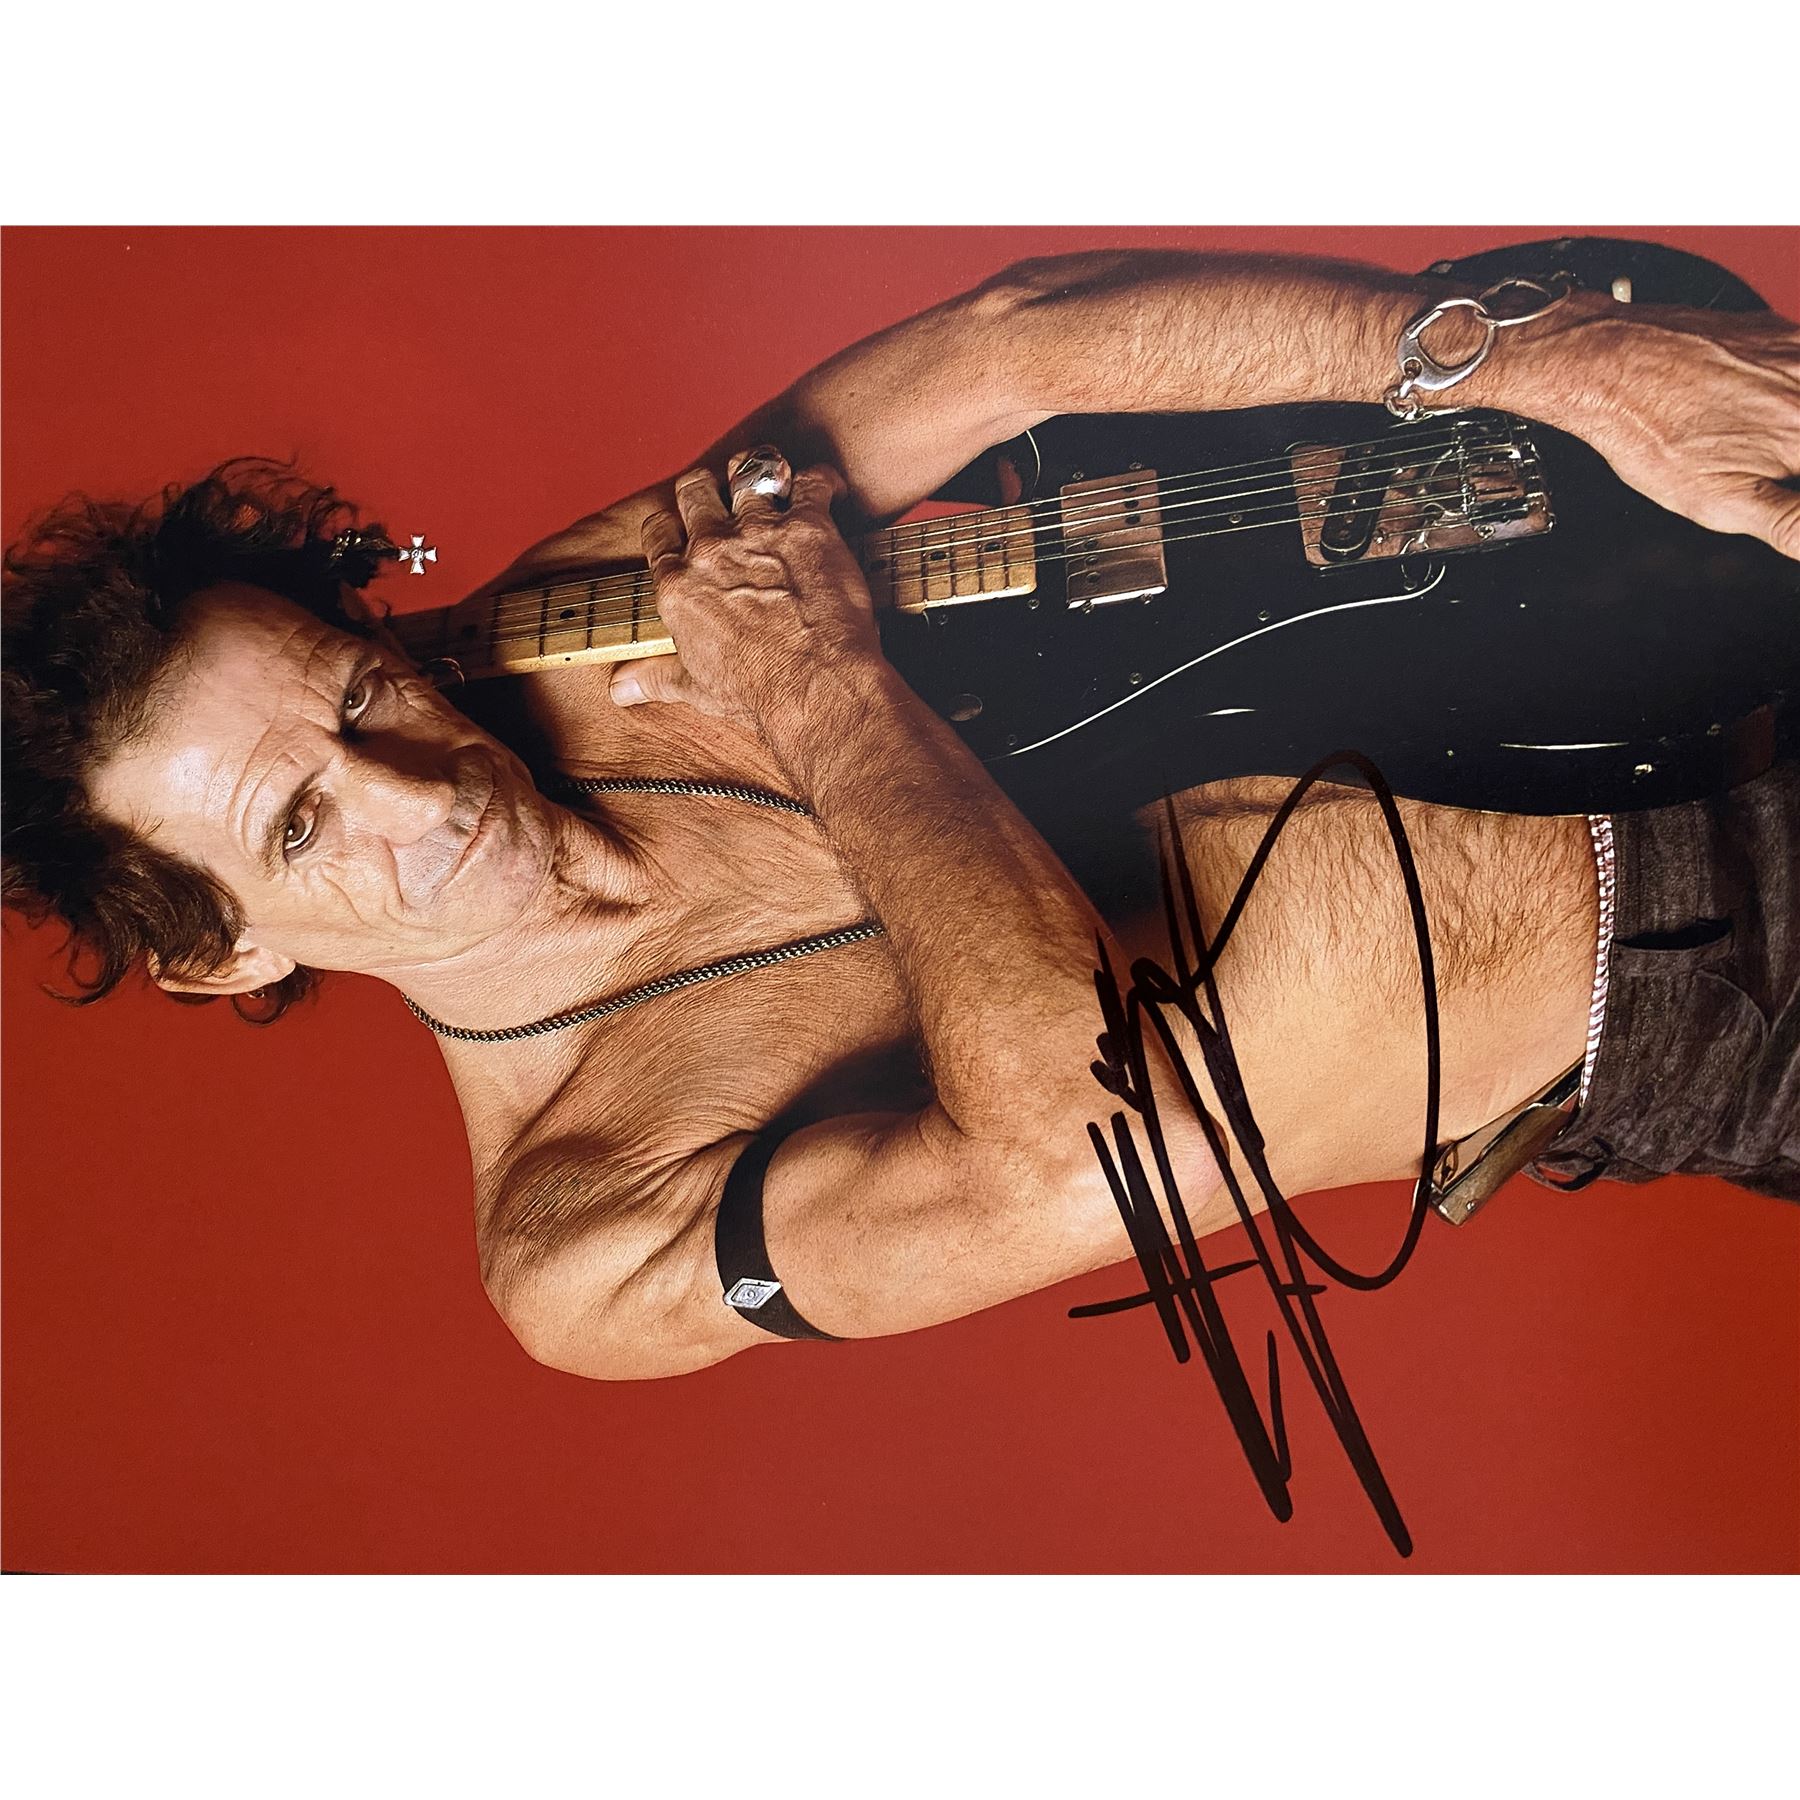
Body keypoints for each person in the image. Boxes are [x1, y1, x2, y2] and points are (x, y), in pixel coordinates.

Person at [4, 249, 1797, 1381]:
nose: (421, 785)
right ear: (219, 954)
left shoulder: (587, 623)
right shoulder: (585, 1234)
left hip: (1643, 632)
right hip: (1715, 1005)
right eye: (299, 827)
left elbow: (1009, 349)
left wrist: (1554, 363)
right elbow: (1093, 1149)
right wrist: (821, 693)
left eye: (361, 693)